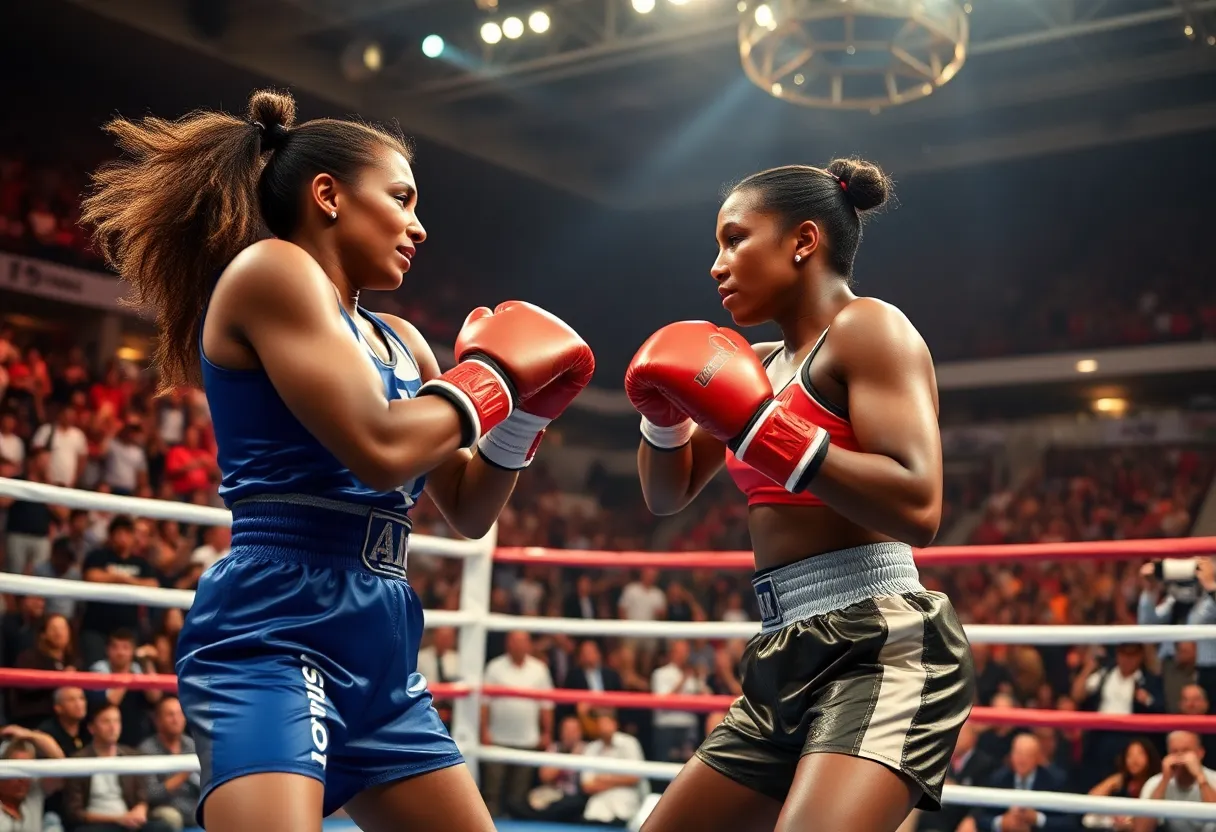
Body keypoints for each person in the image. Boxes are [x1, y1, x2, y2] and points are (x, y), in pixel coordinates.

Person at [81, 88, 595, 832]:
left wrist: (522, 418)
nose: (419, 226)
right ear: (328, 196)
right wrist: (496, 380)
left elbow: (468, 509)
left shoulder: (403, 341)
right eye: (402, 198)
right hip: (276, 631)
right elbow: (382, 448)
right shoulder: (272, 270)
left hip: (381, 639)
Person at [625, 159, 974, 832]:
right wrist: (662, 421)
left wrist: (765, 431)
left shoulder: (869, 328)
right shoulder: (752, 365)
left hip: (880, 644)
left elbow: (918, 505)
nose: (716, 265)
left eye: (734, 239)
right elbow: (665, 497)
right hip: (783, 650)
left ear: (803, 241)